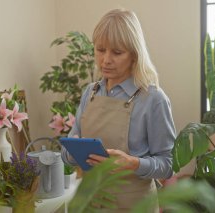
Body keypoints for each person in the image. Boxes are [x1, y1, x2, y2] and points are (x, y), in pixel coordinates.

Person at [61, 8, 176, 212]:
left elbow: (167, 164)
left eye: (117, 52)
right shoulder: (90, 93)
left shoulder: (153, 99)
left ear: (134, 55)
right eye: (100, 49)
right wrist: (72, 151)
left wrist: (133, 163)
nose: (106, 59)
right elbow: (67, 149)